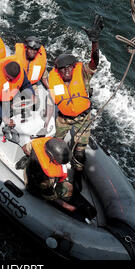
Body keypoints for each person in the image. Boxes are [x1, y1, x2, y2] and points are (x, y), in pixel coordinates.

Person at [43, 14, 104, 188]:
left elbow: (94, 61)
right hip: (64, 117)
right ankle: (50, 168)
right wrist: (47, 121)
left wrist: (95, 41)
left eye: (69, 67)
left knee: (80, 149)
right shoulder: (54, 79)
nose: (67, 71)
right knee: (56, 142)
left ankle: (77, 174)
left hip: (83, 116)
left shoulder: (83, 72)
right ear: (58, 71)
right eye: (63, 69)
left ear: (74, 67)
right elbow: (51, 100)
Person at [0, 61, 34, 146]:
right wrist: (4, 117)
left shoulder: (21, 73)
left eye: (11, 79)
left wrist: (32, 94)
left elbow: (26, 84)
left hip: (9, 96)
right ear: (4, 70)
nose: (9, 80)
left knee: (23, 109)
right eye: (7, 77)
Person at [21, 137, 76, 211]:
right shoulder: (43, 176)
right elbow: (49, 194)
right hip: (35, 182)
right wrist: (67, 206)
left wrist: (32, 156)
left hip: (35, 165)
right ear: (51, 156)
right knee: (66, 190)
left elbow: (25, 148)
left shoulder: (43, 143)